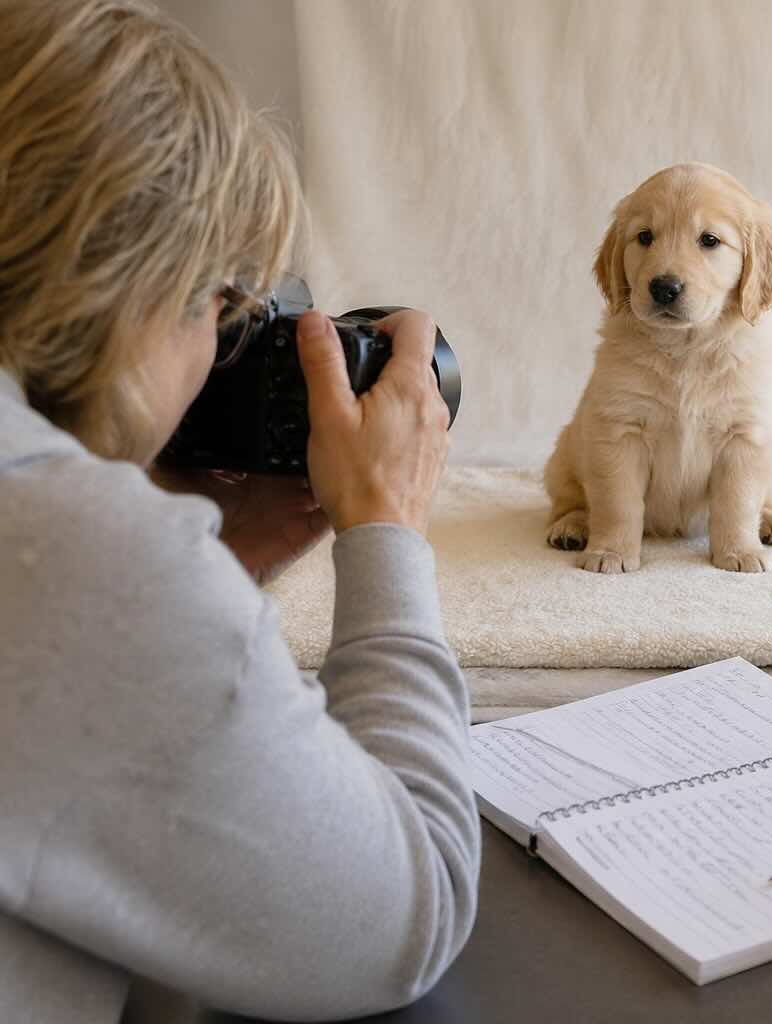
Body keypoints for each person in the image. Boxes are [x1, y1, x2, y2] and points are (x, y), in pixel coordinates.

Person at [0, 2, 480, 1021]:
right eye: (224, 306)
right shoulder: (72, 550)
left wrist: (206, 563)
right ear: (136, 280)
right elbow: (407, 916)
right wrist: (386, 529)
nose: (220, 350)